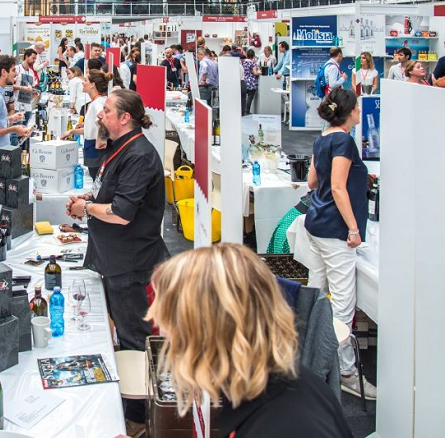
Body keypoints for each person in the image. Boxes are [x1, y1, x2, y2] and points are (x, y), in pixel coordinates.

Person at [146, 243, 352, 438]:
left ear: (208, 331)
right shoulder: (280, 386)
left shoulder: (281, 425)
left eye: (173, 324)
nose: (164, 335)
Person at [66, 89, 167, 429]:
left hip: (131, 264)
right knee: (124, 332)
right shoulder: (120, 147)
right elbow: (111, 191)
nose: (99, 114)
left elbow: (122, 213)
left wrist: (86, 208)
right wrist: (89, 198)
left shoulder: (140, 155)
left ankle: (140, 417)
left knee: (135, 339)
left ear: (125, 118)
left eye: (107, 110)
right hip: (117, 260)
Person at [304, 88, 377, 399]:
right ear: (349, 112)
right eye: (357, 107)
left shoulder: (322, 139)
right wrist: (353, 229)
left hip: (315, 225)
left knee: (315, 296)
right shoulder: (344, 141)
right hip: (336, 232)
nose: (360, 112)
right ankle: (346, 372)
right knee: (342, 307)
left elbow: (312, 182)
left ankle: (308, 358)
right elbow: (337, 187)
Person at [62, 69, 112, 179]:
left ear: (93, 84)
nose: (82, 83)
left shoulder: (97, 103)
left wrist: (101, 140)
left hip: (95, 151)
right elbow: (92, 129)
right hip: (93, 149)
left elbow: (104, 121)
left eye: (85, 80)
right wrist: (72, 131)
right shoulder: (100, 101)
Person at [242, 49, 261, 115]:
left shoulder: (243, 62)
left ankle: (243, 110)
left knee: (244, 97)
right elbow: (255, 73)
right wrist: (260, 73)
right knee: (250, 97)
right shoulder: (252, 63)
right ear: (253, 56)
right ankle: (247, 111)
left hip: (245, 81)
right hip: (251, 82)